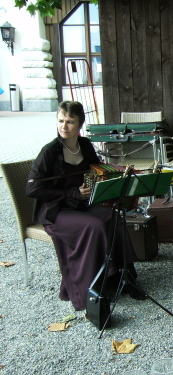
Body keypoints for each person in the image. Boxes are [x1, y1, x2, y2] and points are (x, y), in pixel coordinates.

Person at [26, 101, 141, 311]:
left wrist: (116, 178)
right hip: (55, 211)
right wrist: (71, 194)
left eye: (70, 122)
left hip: (81, 204)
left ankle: (121, 280)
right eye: (61, 121)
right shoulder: (49, 151)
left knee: (113, 217)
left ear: (80, 125)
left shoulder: (85, 145)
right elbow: (32, 189)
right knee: (93, 225)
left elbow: (97, 171)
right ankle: (89, 292)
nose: (64, 126)